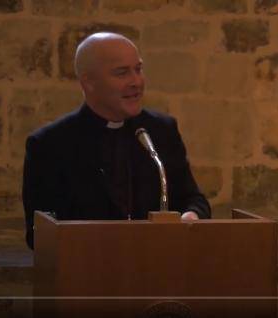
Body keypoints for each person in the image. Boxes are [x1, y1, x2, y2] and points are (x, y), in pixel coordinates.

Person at [22, 32, 211, 249]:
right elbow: (38, 235)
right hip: (88, 274)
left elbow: (193, 199)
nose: (136, 82)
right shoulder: (50, 144)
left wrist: (191, 217)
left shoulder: (161, 130)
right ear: (89, 82)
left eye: (138, 69)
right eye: (122, 73)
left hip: (158, 269)